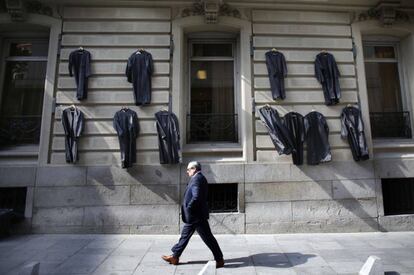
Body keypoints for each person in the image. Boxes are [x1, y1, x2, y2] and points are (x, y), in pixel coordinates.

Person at [162, 161, 225, 268]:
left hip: (196, 215)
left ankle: (219, 259)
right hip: (195, 215)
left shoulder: (197, 179)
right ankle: (175, 256)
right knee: (185, 236)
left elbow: (196, 197)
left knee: (208, 238)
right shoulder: (198, 178)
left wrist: (189, 208)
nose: (187, 172)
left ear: (194, 169)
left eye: (188, 169)